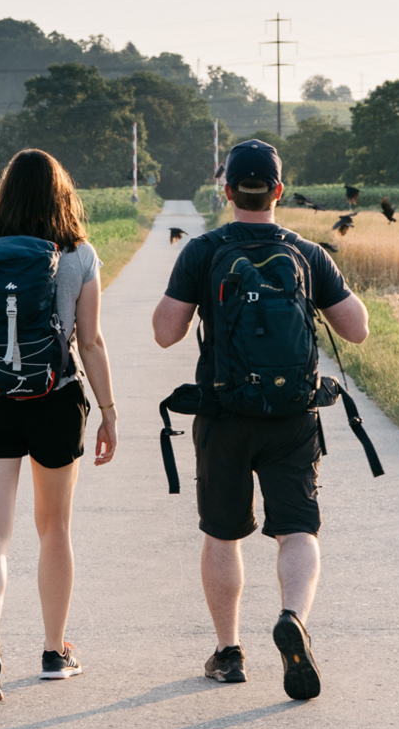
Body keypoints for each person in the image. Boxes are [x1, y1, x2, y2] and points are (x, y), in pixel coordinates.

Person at [151, 139, 369, 699]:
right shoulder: (307, 254)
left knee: (223, 535)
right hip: (292, 416)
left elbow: (164, 332)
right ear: (277, 189)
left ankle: (228, 653)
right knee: (298, 528)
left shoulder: (203, 251)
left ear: (226, 192)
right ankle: (293, 617)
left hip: (223, 416)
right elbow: (357, 328)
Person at [0, 149, 119, 703]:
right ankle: (53, 650)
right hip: (55, 400)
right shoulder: (81, 255)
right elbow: (90, 342)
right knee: (53, 529)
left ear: (5, 194)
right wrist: (109, 411)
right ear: (62, 195)